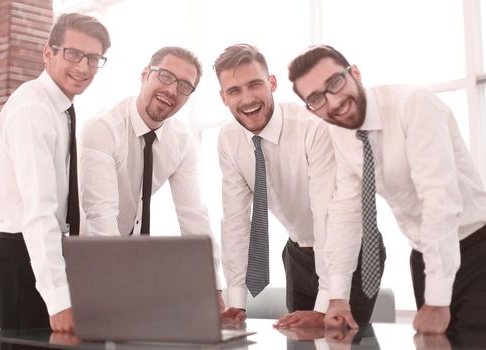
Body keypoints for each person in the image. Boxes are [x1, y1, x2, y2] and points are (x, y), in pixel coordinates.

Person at [288, 45, 486, 333]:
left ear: (354, 73)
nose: (332, 102)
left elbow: (438, 201)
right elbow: (346, 211)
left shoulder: (414, 105)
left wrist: (438, 300)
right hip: (423, 256)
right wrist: (338, 297)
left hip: (476, 249)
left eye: (334, 83)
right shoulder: (340, 133)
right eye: (317, 99)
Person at [214, 44, 384, 327]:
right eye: (234, 91)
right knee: (298, 339)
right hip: (297, 253)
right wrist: (236, 302)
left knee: (338, 337)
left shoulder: (311, 126)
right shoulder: (228, 139)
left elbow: (326, 213)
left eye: (254, 84)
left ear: (272, 83)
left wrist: (325, 304)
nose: (247, 99)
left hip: (351, 246)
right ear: (223, 98)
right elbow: (235, 222)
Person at [0, 13, 110, 333]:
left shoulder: (61, 109)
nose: (83, 67)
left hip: (40, 259)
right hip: (21, 261)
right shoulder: (34, 108)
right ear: (48, 53)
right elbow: (39, 211)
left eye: (93, 58)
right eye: (73, 54)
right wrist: (59, 301)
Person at [78, 46, 225, 310]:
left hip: (127, 263)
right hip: (80, 260)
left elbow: (193, 217)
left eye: (184, 86)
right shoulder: (102, 128)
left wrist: (214, 288)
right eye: (166, 76)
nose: (172, 90)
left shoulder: (181, 142)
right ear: (145, 74)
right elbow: (101, 216)